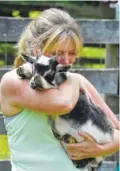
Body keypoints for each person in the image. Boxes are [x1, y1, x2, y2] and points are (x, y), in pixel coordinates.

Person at [0, 8, 119, 171]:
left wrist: (101, 149)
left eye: (72, 53)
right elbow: (63, 105)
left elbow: (117, 131)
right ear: (35, 48)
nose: (66, 61)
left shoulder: (73, 81)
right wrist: (75, 79)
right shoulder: (13, 82)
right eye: (56, 53)